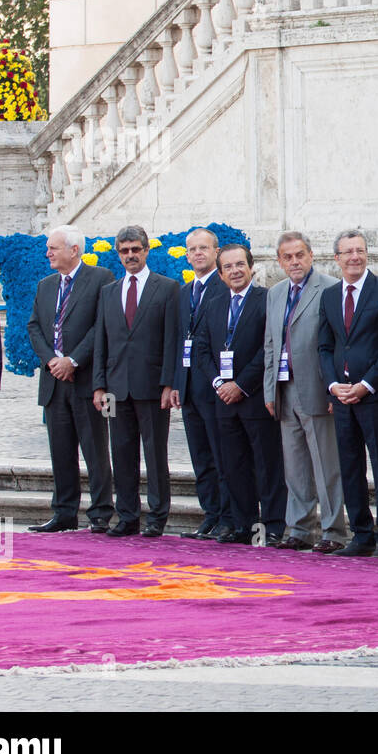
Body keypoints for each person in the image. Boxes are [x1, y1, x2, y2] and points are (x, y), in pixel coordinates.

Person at [194, 244, 285, 545]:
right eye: (228, 267)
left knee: (266, 464)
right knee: (233, 466)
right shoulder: (214, 304)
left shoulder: (267, 300)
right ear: (220, 274)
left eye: (240, 265)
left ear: (251, 267)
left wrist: (241, 384)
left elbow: (268, 348)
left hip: (255, 397)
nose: (235, 271)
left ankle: (273, 526)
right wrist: (219, 383)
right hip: (223, 400)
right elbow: (203, 348)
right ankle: (242, 524)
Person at [318, 230, 378, 558]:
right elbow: (325, 346)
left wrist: (366, 384)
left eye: (360, 250)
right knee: (350, 466)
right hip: (341, 397)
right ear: (336, 258)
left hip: (374, 395)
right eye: (348, 252)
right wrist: (332, 384)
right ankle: (361, 535)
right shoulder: (328, 296)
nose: (355, 256)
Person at [26, 225, 115, 533]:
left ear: (74, 249)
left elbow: (101, 326)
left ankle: (101, 512)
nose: (48, 253)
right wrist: (52, 360)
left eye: (53, 248)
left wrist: (72, 360)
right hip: (53, 382)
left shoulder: (101, 279)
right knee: (60, 451)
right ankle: (64, 512)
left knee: (96, 450)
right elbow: (35, 327)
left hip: (87, 381)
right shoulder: (46, 285)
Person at [93, 226, 179, 537]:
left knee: (155, 454)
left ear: (146, 250)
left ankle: (157, 516)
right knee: (120, 451)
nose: (130, 255)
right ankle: (126, 515)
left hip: (153, 386)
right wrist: (99, 386)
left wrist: (169, 383)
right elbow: (101, 342)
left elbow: (172, 340)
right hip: (115, 390)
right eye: (124, 251)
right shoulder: (108, 292)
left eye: (135, 249)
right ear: (118, 254)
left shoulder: (167, 288)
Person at [264, 232, 345, 553]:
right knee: (295, 466)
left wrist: (331, 389)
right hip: (284, 390)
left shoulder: (328, 288)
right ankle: (299, 529)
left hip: (316, 388)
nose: (294, 262)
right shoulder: (275, 293)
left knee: (326, 465)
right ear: (280, 261)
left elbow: (335, 344)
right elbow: (271, 344)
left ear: (311, 255)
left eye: (300, 255)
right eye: (288, 257)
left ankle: (334, 531)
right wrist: (270, 389)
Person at [168, 228, 229, 538]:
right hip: (190, 387)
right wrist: (175, 382)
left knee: (223, 455)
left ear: (216, 252)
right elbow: (176, 340)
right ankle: (210, 513)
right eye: (192, 249)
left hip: (216, 385)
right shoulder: (182, 292)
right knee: (200, 456)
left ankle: (228, 516)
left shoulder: (225, 287)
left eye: (204, 248)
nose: (198, 253)